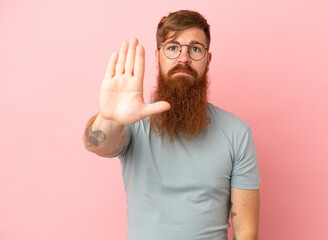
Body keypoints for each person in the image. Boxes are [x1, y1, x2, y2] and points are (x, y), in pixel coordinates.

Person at [83, 10, 260, 240]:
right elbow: (97, 145)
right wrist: (111, 118)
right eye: (173, 47)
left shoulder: (237, 133)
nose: (184, 58)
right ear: (157, 57)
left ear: (207, 60)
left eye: (195, 48)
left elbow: (245, 231)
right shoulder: (133, 124)